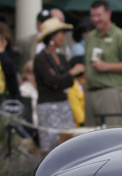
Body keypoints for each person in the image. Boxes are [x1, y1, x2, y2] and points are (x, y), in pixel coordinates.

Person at [33, 17, 85, 153]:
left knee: (68, 143)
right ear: (52, 36)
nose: (63, 37)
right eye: (61, 33)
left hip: (64, 105)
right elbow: (51, 80)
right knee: (50, 147)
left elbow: (66, 82)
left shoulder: (61, 57)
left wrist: (61, 79)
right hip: (48, 106)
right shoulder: (40, 58)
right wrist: (70, 74)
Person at [84, 0, 122, 127]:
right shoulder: (90, 37)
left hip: (110, 92)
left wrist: (106, 66)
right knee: (90, 135)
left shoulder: (119, 36)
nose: (95, 19)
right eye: (93, 16)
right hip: (91, 93)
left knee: (111, 135)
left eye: (99, 15)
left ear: (108, 14)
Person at [66, 56, 86, 126]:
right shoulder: (72, 86)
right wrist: (82, 122)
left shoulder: (82, 84)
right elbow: (75, 106)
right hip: (79, 126)